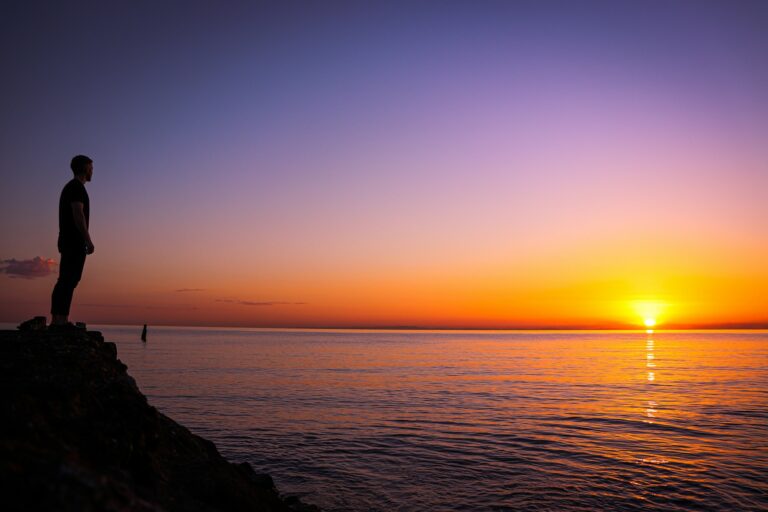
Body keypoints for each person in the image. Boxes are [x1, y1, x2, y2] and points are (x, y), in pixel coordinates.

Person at [50, 155, 95, 329]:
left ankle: (58, 318)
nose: (92, 171)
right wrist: (88, 239)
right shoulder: (75, 188)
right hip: (73, 240)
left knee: (68, 279)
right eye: (91, 168)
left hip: (69, 240)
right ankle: (60, 320)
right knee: (68, 279)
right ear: (84, 168)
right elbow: (78, 214)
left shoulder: (73, 188)